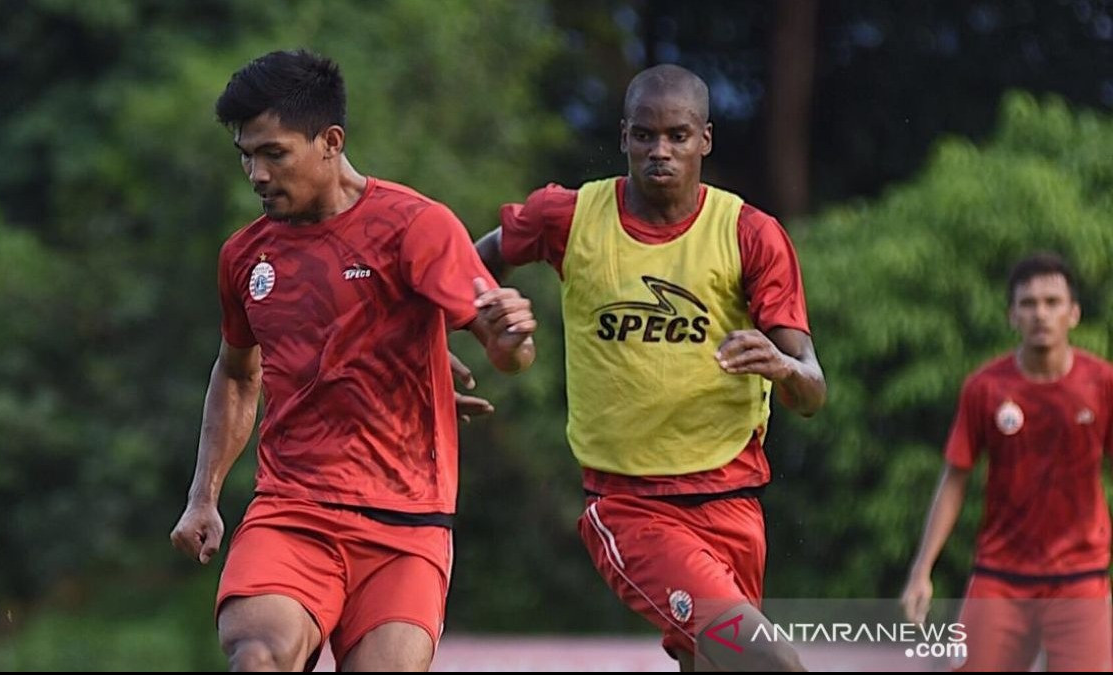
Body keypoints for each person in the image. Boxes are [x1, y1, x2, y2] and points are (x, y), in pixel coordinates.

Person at [169, 49, 536, 672]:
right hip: (293, 510)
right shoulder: (244, 257)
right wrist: (203, 496)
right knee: (258, 658)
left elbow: (507, 352)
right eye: (245, 155)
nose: (256, 173)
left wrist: (511, 337)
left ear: (331, 141)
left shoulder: (415, 227)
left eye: (274, 153)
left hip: (408, 523)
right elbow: (237, 371)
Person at [474, 64, 826, 671]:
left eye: (677, 136)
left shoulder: (750, 234)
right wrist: (486, 324)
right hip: (631, 505)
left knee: (713, 664)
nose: (659, 150)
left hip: (732, 496)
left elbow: (813, 390)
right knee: (770, 661)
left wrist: (782, 368)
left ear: (705, 139)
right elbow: (464, 268)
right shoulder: (570, 216)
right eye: (644, 135)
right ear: (623, 137)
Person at [901, 252, 1113, 671]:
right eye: (1029, 303)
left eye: (1052, 303)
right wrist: (922, 568)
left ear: (1073, 313)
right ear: (1011, 315)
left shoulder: (1102, 383)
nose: (1041, 314)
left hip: (1080, 579)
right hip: (1000, 577)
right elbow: (955, 477)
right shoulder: (985, 387)